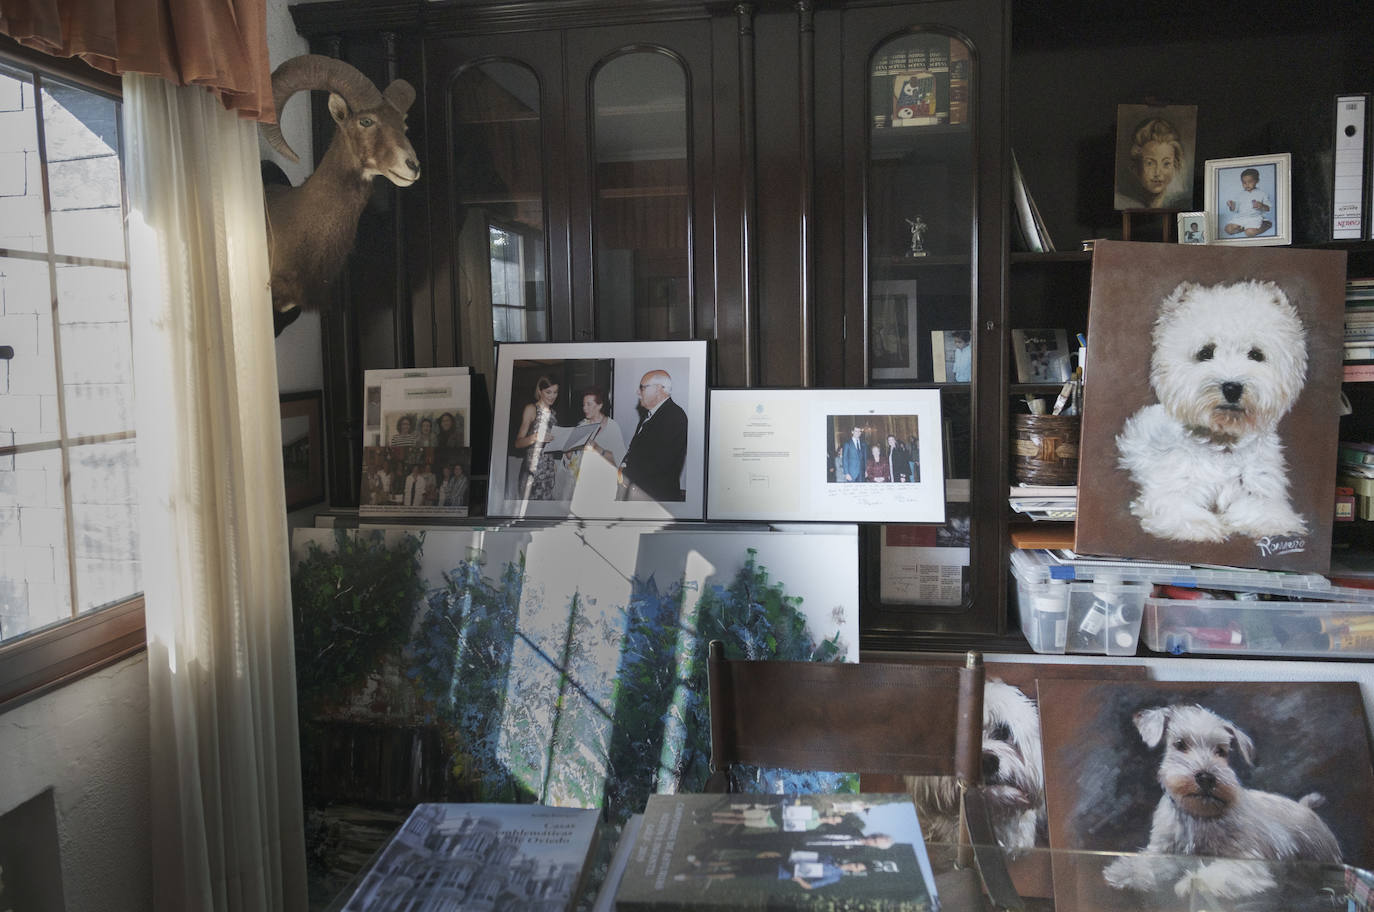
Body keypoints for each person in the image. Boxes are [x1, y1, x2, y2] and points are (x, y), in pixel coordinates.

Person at [617, 369, 688, 502]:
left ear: (659, 389)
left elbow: (658, 463)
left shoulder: (674, 416)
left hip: (656, 499)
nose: (638, 392)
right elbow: (635, 451)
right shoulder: (649, 414)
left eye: (642, 388)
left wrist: (624, 474)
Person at [563, 386, 627, 500]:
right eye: (583, 404)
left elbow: (619, 460)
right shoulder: (581, 426)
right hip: (581, 487)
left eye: (589, 404)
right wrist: (568, 454)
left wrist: (598, 448)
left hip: (603, 486)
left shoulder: (612, 427)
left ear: (600, 405)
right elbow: (572, 462)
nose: (584, 408)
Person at [1117, 116, 1189, 209]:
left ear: (1175, 165)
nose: (1157, 173)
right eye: (1150, 163)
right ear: (1136, 166)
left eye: (1166, 163)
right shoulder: (1123, 202)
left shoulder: (1181, 203)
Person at [514, 375, 562, 501]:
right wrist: (536, 437)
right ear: (540, 391)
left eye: (555, 392)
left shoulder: (554, 414)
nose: (553, 396)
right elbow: (518, 443)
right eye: (548, 392)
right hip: (532, 473)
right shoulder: (531, 409)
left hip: (548, 473)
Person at [1223, 167, 1273, 237]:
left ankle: (1266, 225)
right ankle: (1243, 227)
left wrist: (1262, 205)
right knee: (1228, 229)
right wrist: (1231, 205)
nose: (1247, 184)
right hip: (1241, 218)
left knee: (1249, 233)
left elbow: (1268, 208)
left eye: (1250, 182)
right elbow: (1235, 209)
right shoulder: (1240, 195)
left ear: (1257, 181)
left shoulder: (1262, 194)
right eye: (1244, 183)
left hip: (1255, 218)